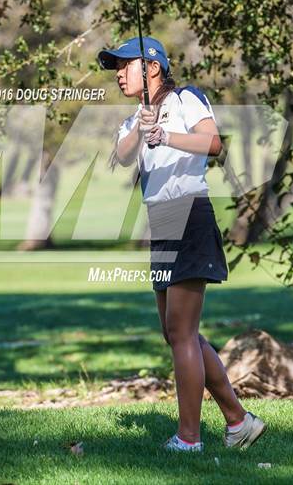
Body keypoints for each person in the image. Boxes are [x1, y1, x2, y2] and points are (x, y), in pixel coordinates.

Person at [98, 36, 266, 452]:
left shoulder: (186, 99)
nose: (118, 74)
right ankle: (239, 421)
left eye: (125, 65)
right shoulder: (133, 118)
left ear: (152, 67)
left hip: (189, 212)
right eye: (115, 67)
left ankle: (189, 439)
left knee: (181, 332)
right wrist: (143, 125)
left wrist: (167, 135)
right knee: (175, 333)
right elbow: (118, 157)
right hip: (162, 222)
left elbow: (213, 143)